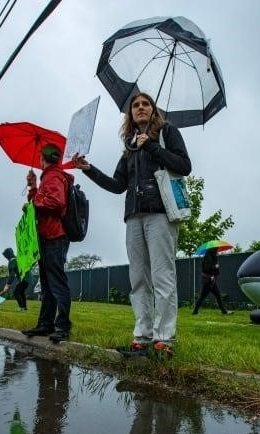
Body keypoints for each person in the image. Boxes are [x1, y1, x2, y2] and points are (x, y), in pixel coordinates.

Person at [72, 92, 192, 357]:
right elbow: (117, 185)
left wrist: (151, 145)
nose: (140, 108)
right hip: (133, 216)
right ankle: (142, 336)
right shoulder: (130, 146)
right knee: (138, 279)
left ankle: (164, 339)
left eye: (145, 104)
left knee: (162, 277)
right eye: (135, 105)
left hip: (160, 212)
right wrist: (88, 169)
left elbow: (184, 165)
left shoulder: (167, 133)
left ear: (153, 109)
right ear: (130, 114)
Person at [21, 144, 73, 343]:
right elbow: (44, 200)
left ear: (44, 159)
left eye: (41, 158)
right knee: (48, 284)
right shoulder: (49, 177)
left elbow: (56, 202)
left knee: (56, 283)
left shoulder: (53, 176)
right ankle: (45, 324)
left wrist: (32, 205)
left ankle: (62, 326)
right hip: (47, 235)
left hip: (54, 236)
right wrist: (33, 186)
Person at [192, 249, 235, 315]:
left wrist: (216, 267)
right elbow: (206, 269)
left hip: (211, 281)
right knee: (202, 296)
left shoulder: (213, 258)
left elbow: (215, 271)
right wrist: (215, 266)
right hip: (207, 281)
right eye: (216, 249)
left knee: (217, 295)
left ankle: (224, 311)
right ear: (212, 250)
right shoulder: (207, 258)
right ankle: (195, 311)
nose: (217, 251)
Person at [1, 247, 28, 311]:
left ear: (7, 255)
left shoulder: (12, 261)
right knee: (21, 292)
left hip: (24, 279)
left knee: (16, 293)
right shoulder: (18, 259)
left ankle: (21, 307)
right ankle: (24, 307)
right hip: (29, 279)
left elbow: (12, 275)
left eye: (5, 256)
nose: (6, 258)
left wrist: (7, 284)